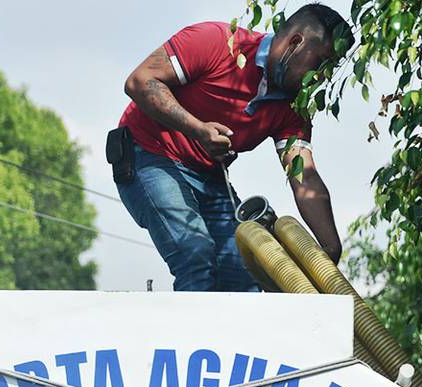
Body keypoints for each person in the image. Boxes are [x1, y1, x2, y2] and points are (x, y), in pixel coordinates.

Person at [116, 3, 354, 291]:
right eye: (320, 62)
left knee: (247, 273)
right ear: (296, 42)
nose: (321, 77)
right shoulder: (216, 42)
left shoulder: (293, 107)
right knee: (195, 252)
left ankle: (227, 337)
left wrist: (328, 251)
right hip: (149, 156)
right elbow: (140, 82)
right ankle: (191, 338)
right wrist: (197, 129)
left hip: (209, 178)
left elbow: (304, 176)